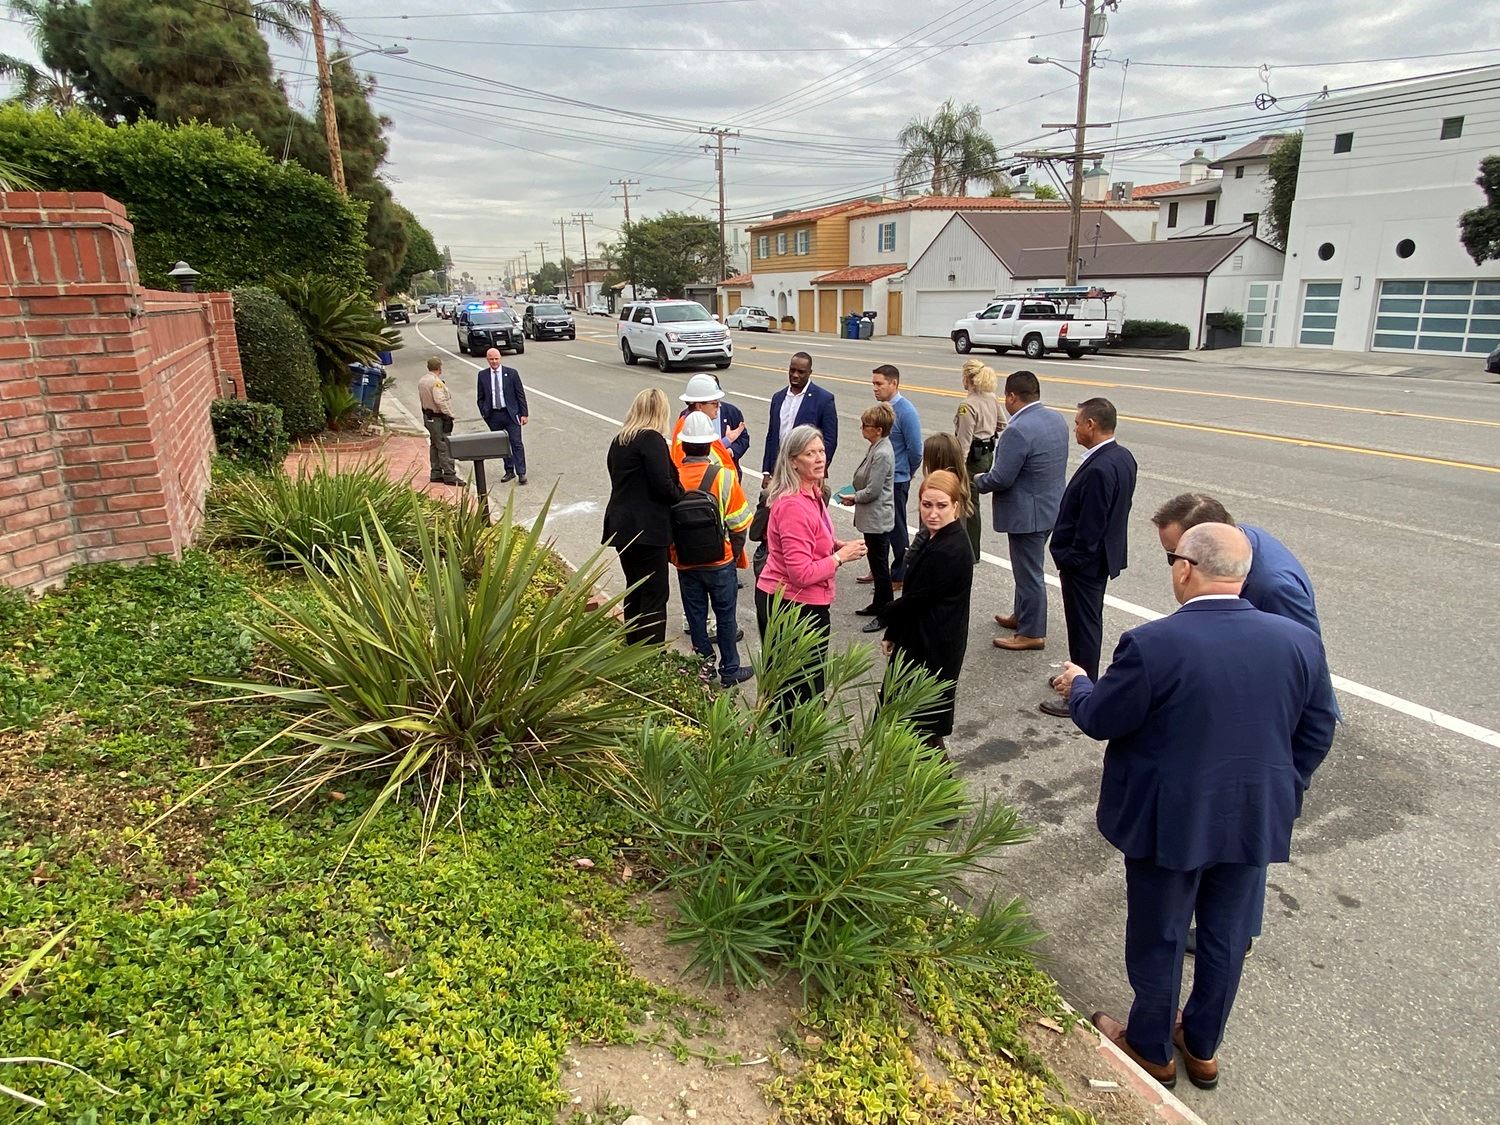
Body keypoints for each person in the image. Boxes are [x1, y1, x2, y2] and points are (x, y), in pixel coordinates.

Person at [1049, 523, 1337, 1091]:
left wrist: (1079, 685)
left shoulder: (1153, 644)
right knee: (1226, 936)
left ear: (1185, 569)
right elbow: (1319, 725)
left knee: (1159, 932)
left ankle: (1151, 1044)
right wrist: (1282, 786)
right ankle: (1202, 1045)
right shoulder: (1297, 640)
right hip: (1255, 816)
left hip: (1170, 820)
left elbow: (1104, 717)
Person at [1150, 492, 1338, 955]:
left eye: (1175, 556)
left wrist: (1289, 779)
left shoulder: (1272, 589)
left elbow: (1313, 692)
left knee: (1244, 844)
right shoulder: (1235, 549)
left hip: (1266, 748)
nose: (1174, 567)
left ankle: (1234, 934)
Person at [1039, 397, 1138, 718]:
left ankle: (1080, 692)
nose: (1076, 428)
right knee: (1087, 622)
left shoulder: (1099, 468)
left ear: (1092, 425)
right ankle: (1077, 677)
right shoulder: (1123, 457)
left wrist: (1069, 559)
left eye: (1078, 423)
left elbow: (1090, 527)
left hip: (1086, 565)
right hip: (1101, 559)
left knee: (1083, 626)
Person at [755, 424, 866, 702]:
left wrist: (834, 545)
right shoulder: (793, 504)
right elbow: (801, 573)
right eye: (810, 453)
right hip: (791, 606)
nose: (819, 458)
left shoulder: (813, 493)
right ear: (793, 461)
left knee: (806, 683)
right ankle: (790, 743)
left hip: (802, 602)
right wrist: (840, 557)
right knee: (797, 690)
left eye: (821, 451)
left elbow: (812, 539)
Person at [876, 470, 975, 749]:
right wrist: (894, 631)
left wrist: (885, 614)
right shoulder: (936, 537)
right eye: (926, 504)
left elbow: (914, 600)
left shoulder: (949, 548)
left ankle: (941, 791)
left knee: (922, 729)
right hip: (920, 640)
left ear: (955, 506)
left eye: (941, 506)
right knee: (912, 725)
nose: (933, 513)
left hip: (932, 650)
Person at [973, 370, 1068, 651]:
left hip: (1028, 513)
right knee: (1025, 569)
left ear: (1013, 396)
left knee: (1029, 573)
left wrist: (978, 480)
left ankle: (1032, 632)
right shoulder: (1055, 419)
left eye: (1007, 397)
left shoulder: (1017, 430)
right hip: (1051, 506)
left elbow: (1001, 477)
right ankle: (1022, 616)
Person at [672, 410, 754, 688]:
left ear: (683, 444)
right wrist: (732, 556)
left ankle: (703, 670)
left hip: (686, 563)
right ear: (710, 444)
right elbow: (740, 524)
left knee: (696, 619)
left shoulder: (672, 479)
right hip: (720, 562)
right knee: (726, 617)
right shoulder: (724, 477)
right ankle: (730, 669)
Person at [603, 388, 685, 646]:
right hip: (647, 530)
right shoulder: (651, 440)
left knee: (635, 588)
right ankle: (650, 654)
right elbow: (664, 486)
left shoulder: (620, 440)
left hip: (621, 526)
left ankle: (632, 645)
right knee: (654, 594)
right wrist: (681, 493)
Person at [838, 404, 896, 632]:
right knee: (876, 561)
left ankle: (886, 612)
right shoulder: (876, 447)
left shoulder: (882, 453)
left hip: (877, 517)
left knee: (881, 568)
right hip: (871, 517)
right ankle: (879, 603)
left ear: (879, 429)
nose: (862, 429)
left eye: (866, 426)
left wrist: (854, 498)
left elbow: (873, 490)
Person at [864, 365, 922, 585]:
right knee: (877, 528)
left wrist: (907, 473)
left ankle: (900, 574)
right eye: (873, 384)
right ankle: (879, 569)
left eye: (879, 384)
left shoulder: (906, 411)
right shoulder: (882, 409)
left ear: (894, 384)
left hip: (896, 481)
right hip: (879, 478)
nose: (875, 388)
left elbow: (916, 450)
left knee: (896, 528)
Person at [954, 359, 1002, 559]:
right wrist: (987, 432)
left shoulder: (967, 405)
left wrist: (957, 469)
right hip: (987, 454)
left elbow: (963, 442)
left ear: (967, 378)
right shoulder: (991, 397)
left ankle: (970, 552)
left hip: (972, 459)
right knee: (973, 502)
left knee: (969, 504)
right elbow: (1002, 424)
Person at [762, 352, 838, 474]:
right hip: (780, 468)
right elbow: (772, 436)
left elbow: (830, 440)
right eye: (792, 370)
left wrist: (819, 470)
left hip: (806, 471)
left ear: (809, 372)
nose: (795, 375)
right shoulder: (778, 398)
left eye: (801, 372)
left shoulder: (824, 399)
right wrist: (767, 471)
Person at [475, 347, 529, 484]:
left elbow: (520, 394)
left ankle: (521, 472)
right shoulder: (483, 375)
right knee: (502, 445)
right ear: (487, 360)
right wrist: (484, 412)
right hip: (494, 415)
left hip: (511, 414)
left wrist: (524, 413)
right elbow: (480, 397)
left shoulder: (511, 373)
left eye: (496, 359)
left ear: (500, 358)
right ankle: (509, 470)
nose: (494, 361)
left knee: (516, 443)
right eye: (491, 359)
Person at [671, 373, 743, 473]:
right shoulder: (688, 429)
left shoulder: (696, 427)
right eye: (714, 403)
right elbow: (691, 468)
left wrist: (727, 440)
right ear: (699, 406)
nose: (719, 406)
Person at [417, 356, 458, 485]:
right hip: (438, 418)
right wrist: (450, 414)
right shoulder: (436, 382)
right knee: (444, 446)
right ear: (439, 368)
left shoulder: (422, 380)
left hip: (428, 417)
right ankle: (449, 474)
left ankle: (436, 472)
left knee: (434, 445)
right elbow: (440, 400)